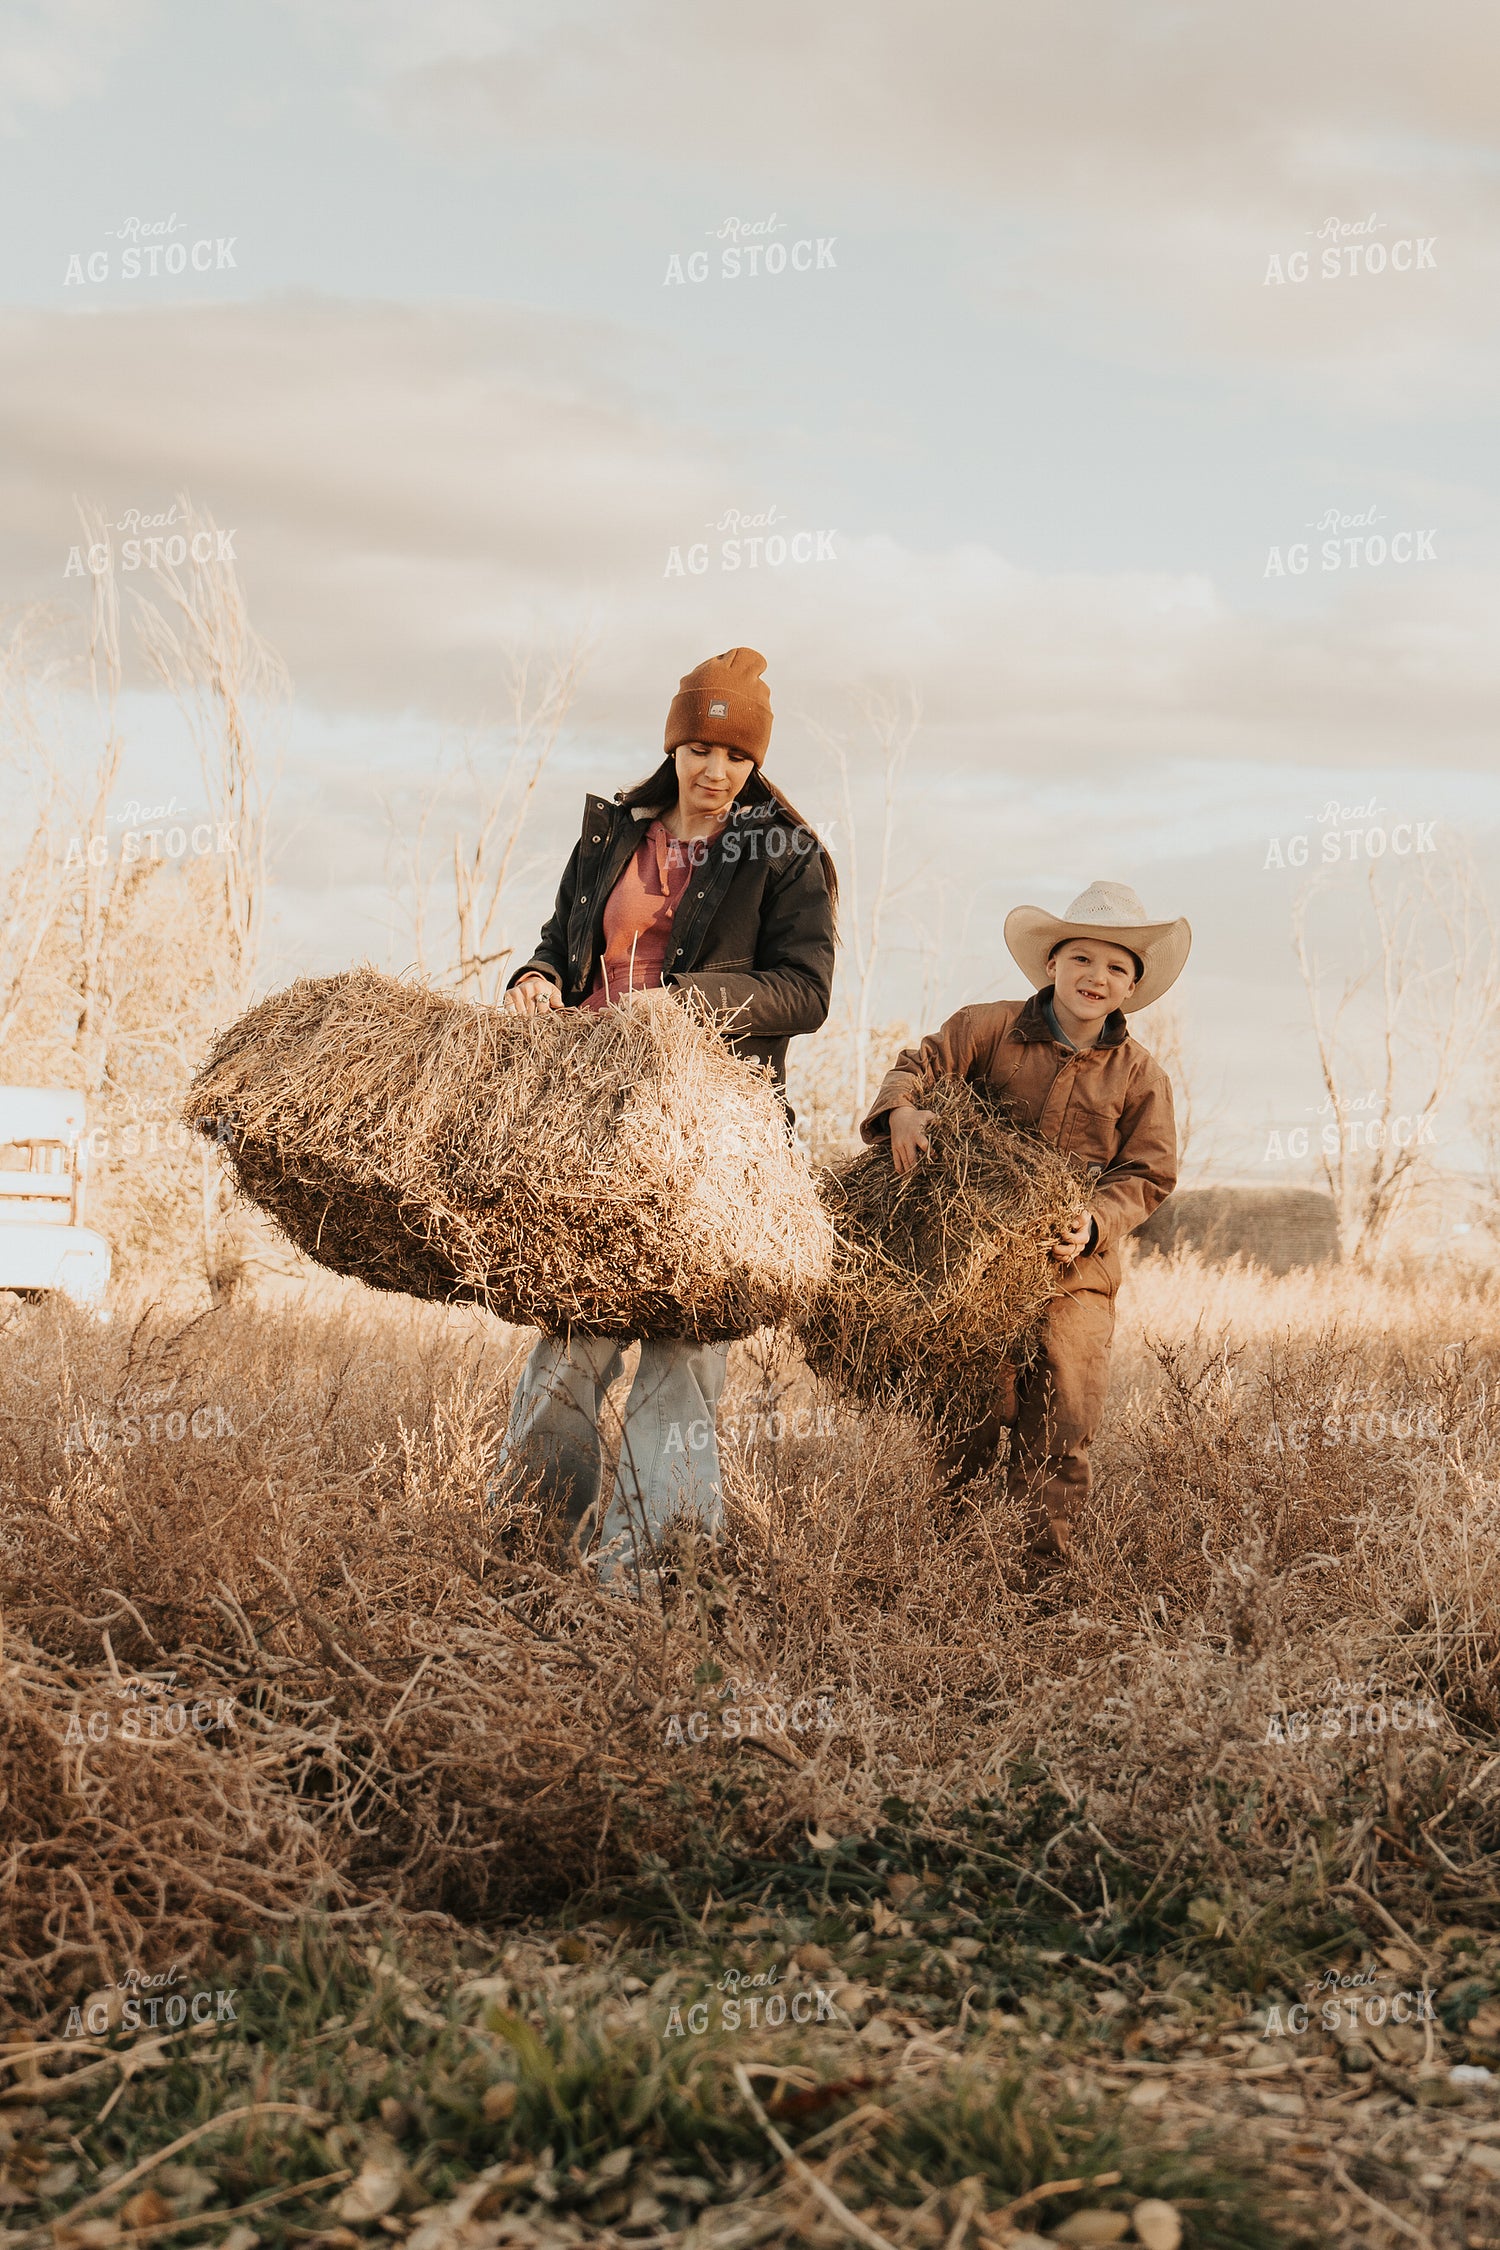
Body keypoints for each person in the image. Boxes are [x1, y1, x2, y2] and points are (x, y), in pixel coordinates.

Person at [494, 647, 837, 1586]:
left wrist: (682, 1001)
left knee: (682, 1352)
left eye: (736, 755)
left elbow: (806, 991)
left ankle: (652, 1573)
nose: (715, 770)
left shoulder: (785, 854)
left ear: (756, 760)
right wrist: (538, 977)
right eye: (699, 749)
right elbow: (562, 942)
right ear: (673, 747)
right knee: (572, 1338)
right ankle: (528, 1550)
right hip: (591, 1122)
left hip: (712, 1134)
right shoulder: (612, 835)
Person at [859, 881, 1188, 1565]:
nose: (1096, 976)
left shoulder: (1139, 1075)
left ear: (1132, 986)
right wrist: (902, 1111)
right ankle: (951, 1562)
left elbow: (1149, 1172)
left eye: (1117, 967)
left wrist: (1095, 1222)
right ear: (1051, 963)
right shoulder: (987, 1027)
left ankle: (1043, 1574)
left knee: (1064, 1416)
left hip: (1076, 1272)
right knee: (969, 1412)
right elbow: (918, 1066)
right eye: (1082, 958)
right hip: (970, 1267)